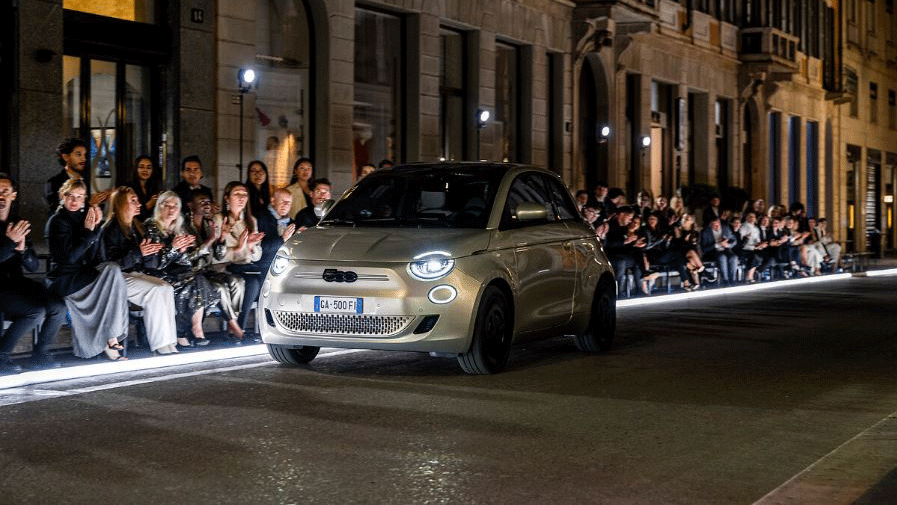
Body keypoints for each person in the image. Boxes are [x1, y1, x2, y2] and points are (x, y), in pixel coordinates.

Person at [46, 179, 129, 361]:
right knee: (112, 275)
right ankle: (111, 339)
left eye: (79, 197)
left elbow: (96, 257)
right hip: (66, 280)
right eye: (71, 196)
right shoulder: (57, 221)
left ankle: (111, 337)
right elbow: (68, 258)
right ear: (63, 196)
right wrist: (89, 233)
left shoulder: (86, 218)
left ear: (84, 199)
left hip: (84, 276)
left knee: (113, 271)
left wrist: (97, 229)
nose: (75, 201)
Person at [100, 187, 179, 354]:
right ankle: (160, 344)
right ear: (121, 204)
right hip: (117, 278)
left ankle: (171, 341)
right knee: (155, 291)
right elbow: (111, 264)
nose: (138, 204)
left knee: (167, 288)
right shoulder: (110, 228)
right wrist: (139, 253)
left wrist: (157, 251)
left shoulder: (136, 227)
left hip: (135, 274)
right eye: (133, 201)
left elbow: (147, 260)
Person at [0, 174, 66, 372]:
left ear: (13, 195)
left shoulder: (17, 222)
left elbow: (32, 265)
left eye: (5, 192)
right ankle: (2, 356)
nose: (1, 196)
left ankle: (41, 354)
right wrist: (10, 242)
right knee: (35, 312)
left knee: (58, 306)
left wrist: (22, 251)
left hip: (17, 284)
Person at [144, 191, 221, 347]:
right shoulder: (151, 226)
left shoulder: (179, 228)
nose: (172, 210)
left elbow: (185, 262)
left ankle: (194, 329)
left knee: (197, 279)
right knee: (190, 283)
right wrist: (174, 248)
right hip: (157, 273)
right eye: (167, 205)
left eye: (175, 206)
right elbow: (156, 263)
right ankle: (185, 332)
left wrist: (182, 251)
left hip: (178, 272)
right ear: (160, 206)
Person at [185, 190, 245, 336]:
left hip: (208, 271)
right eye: (201, 201)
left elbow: (219, 255)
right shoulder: (184, 226)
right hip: (192, 273)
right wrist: (210, 239)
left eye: (208, 201)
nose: (207, 205)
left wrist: (222, 238)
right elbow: (189, 258)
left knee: (238, 281)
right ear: (190, 205)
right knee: (220, 287)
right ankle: (235, 327)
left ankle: (233, 323)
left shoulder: (208, 224)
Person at [213, 182, 264, 340]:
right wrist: (240, 248)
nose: (242, 198)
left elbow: (257, 255)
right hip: (224, 267)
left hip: (243, 267)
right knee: (247, 282)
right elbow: (216, 255)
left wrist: (250, 246)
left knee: (255, 281)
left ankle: (237, 328)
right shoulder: (219, 219)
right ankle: (237, 330)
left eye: (244, 194)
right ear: (227, 198)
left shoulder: (251, 221)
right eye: (237, 194)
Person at [45, 138, 111, 213]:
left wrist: (101, 200)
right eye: (78, 154)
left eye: (84, 155)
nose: (84, 159)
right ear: (65, 157)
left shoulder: (85, 180)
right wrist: (90, 204)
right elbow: (57, 212)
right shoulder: (54, 183)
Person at [256, 188, 297, 271]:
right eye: (282, 201)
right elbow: (259, 248)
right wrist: (282, 239)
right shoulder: (261, 218)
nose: (285, 205)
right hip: (265, 267)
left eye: (288, 203)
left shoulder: (292, 223)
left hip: (287, 267)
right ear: (273, 201)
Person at [699, 215, 738, 286]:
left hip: (726, 249)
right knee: (722, 257)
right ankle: (725, 280)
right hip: (713, 251)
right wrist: (716, 244)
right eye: (714, 225)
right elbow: (704, 248)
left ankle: (733, 279)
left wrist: (728, 245)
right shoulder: (705, 232)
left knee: (734, 257)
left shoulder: (725, 228)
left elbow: (734, 240)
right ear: (710, 225)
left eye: (718, 225)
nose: (717, 227)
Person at [127, 155, 162, 221]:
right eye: (141, 167)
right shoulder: (129, 188)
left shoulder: (154, 188)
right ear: (136, 169)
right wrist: (148, 205)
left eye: (148, 168)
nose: (145, 170)